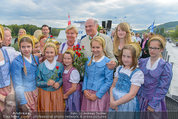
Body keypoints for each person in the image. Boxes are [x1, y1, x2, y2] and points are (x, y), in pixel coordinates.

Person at [138, 35, 172, 118]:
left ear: (161, 49)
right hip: (140, 98)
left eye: (155, 48)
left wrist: (152, 105)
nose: (151, 50)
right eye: (150, 47)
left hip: (154, 101)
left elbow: (163, 88)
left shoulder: (165, 66)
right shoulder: (142, 62)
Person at [108, 43, 144, 118]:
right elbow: (113, 86)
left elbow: (131, 95)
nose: (125, 59)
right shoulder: (119, 68)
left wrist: (116, 103)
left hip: (126, 103)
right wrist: (112, 100)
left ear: (134, 58)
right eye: (124, 56)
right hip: (114, 99)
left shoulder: (137, 73)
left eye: (129, 57)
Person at [81, 36, 113, 111]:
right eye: (93, 47)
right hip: (87, 94)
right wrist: (84, 89)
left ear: (103, 47)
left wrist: (97, 95)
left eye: (98, 47)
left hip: (99, 95)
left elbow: (108, 81)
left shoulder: (107, 62)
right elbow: (86, 76)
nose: (95, 50)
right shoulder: (89, 60)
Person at [11, 35, 39, 116]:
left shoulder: (35, 58)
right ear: (19, 48)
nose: (26, 49)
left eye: (28, 46)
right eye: (23, 47)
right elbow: (18, 84)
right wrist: (23, 102)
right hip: (25, 94)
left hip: (35, 92)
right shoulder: (16, 62)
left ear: (32, 47)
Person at [36, 42, 64, 112]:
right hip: (45, 93)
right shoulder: (41, 66)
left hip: (57, 93)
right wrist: (46, 83)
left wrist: (59, 83)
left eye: (51, 52)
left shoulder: (60, 65)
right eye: (47, 52)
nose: (49, 54)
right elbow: (37, 82)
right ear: (44, 53)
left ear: (55, 53)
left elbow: (62, 78)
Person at [0, 25, 17, 117]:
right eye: (7, 35)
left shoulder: (7, 52)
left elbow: (11, 73)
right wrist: (2, 97)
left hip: (9, 91)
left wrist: (12, 92)